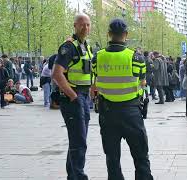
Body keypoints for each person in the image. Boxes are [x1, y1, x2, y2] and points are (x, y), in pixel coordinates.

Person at [94, 18, 154, 180]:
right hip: (131, 112)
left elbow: (95, 81)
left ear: (109, 34)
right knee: (141, 156)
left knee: (112, 159)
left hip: (107, 113)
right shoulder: (136, 57)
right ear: (126, 35)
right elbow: (143, 82)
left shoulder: (97, 57)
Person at [52, 13, 94, 180]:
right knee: (79, 141)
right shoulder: (68, 47)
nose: (86, 28)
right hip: (74, 98)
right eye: (82, 24)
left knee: (78, 140)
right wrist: (73, 96)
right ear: (75, 26)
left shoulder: (86, 46)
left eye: (88, 24)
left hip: (83, 97)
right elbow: (57, 73)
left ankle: (73, 176)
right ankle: (79, 176)